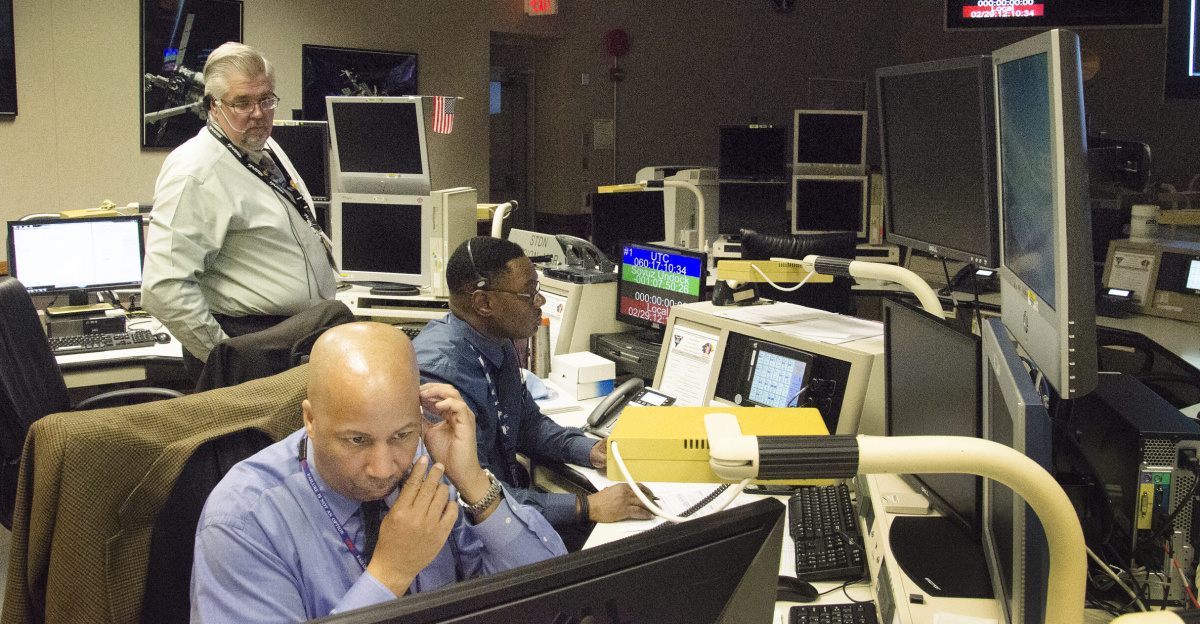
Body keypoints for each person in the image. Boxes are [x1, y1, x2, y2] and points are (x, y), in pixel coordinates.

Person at [190, 322, 565, 622]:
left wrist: (472, 481)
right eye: (357, 440)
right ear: (310, 420)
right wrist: (389, 574)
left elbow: (552, 596)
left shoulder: (427, 466)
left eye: (402, 434)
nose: (385, 468)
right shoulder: (242, 520)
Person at [413, 237, 653, 551]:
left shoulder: (496, 340)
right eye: (529, 292)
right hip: (473, 535)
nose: (539, 301)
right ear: (484, 303)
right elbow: (471, 492)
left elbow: (526, 425)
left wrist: (589, 450)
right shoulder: (439, 373)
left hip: (509, 506)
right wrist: (587, 506)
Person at [142, 42, 337, 380]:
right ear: (212, 107)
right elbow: (163, 289)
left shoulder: (264, 146)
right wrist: (226, 360)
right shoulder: (196, 170)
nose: (259, 113)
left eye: (266, 99)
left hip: (291, 341)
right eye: (242, 103)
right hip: (249, 344)